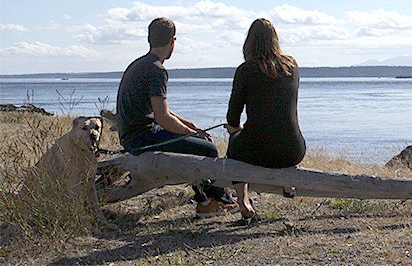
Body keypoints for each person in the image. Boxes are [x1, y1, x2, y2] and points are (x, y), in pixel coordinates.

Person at [116, 17, 237, 217]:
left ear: (149, 39)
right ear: (173, 41)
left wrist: (190, 126)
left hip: (133, 135)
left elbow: (160, 110)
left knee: (195, 145)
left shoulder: (139, 65)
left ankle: (209, 199)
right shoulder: (157, 70)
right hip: (142, 139)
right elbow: (162, 118)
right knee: (208, 149)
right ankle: (212, 202)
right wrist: (192, 134)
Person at [225, 18, 307, 225]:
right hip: (293, 150)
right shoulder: (292, 67)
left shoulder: (245, 70)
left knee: (234, 147)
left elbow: (232, 118)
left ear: (249, 43)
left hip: (260, 150)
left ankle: (244, 204)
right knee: (278, 133)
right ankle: (287, 185)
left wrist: (236, 131)